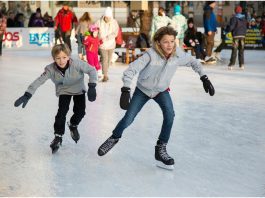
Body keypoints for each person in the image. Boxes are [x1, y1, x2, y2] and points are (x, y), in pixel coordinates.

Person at [97, 26, 215, 170]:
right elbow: (131, 70)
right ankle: (114, 137)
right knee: (129, 118)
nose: (169, 45)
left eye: (172, 41)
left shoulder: (177, 54)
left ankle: (161, 149)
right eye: (166, 42)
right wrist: (126, 89)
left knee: (170, 115)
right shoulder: (150, 55)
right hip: (143, 90)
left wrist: (204, 77)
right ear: (158, 42)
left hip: (161, 90)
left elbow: (194, 62)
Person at [14, 44, 98, 154]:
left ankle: (73, 124)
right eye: (58, 58)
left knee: (80, 112)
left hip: (78, 89)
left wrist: (92, 85)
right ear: (54, 58)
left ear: (68, 56)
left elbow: (92, 70)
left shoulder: (77, 63)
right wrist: (28, 94)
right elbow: (39, 80)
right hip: (63, 90)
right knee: (61, 113)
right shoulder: (50, 69)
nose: (61, 61)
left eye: (64, 57)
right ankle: (58, 136)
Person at [95, 7, 119, 82]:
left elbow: (115, 32)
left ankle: (105, 73)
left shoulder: (114, 22)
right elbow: (94, 29)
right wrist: (95, 34)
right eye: (106, 17)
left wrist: (108, 37)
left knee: (108, 60)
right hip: (102, 45)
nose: (107, 19)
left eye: (108, 17)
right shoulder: (99, 22)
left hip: (111, 44)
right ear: (104, 16)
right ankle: (104, 75)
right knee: (104, 59)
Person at [227, 5, 247, 70]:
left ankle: (231, 64)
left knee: (234, 50)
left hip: (236, 36)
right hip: (243, 36)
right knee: (241, 50)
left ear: (235, 11)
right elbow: (245, 27)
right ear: (241, 11)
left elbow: (231, 27)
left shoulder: (234, 18)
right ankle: (242, 65)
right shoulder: (244, 18)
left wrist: (227, 30)